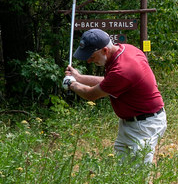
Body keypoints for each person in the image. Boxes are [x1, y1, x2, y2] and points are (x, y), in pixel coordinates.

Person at [63, 28, 167, 163]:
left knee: (137, 176)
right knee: (121, 172)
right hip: (132, 122)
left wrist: (71, 84)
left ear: (105, 50)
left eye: (92, 57)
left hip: (144, 125)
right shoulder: (127, 50)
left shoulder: (123, 70)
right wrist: (79, 77)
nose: (88, 61)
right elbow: (108, 82)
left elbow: (91, 94)